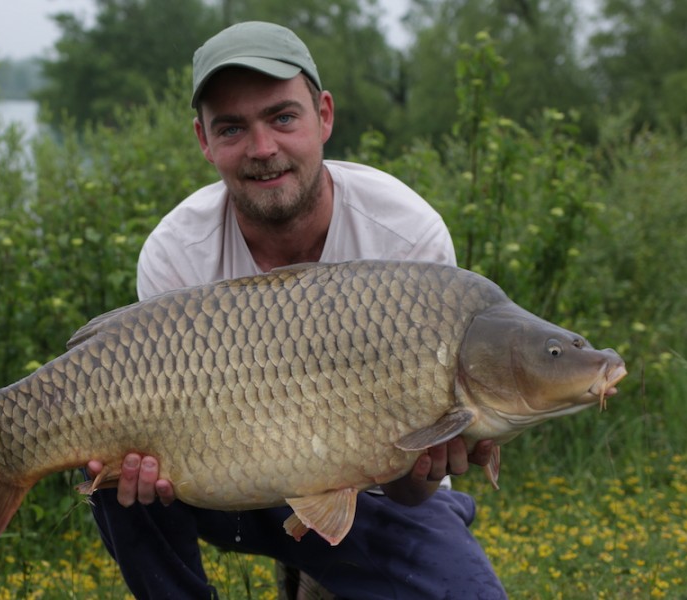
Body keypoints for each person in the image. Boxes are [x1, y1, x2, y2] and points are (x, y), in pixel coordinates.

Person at [85, 21, 507, 599]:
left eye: (283, 118)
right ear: (204, 142)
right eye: (232, 128)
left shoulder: (407, 238)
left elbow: (410, 490)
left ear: (324, 116)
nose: (262, 149)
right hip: (220, 488)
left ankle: (318, 573)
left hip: (368, 498)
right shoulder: (176, 253)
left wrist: (426, 469)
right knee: (109, 469)